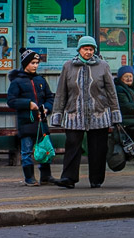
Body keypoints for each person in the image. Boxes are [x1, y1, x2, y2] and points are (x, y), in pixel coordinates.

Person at [49, 35, 119, 188]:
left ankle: (96, 179)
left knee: (98, 149)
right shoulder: (68, 66)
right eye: (85, 49)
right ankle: (68, 178)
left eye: (91, 49)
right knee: (72, 145)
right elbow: (61, 92)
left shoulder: (103, 66)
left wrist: (115, 113)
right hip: (74, 114)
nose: (88, 52)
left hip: (98, 113)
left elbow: (111, 92)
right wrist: (57, 114)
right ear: (79, 49)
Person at [5, 50, 55, 186]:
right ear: (25, 63)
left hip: (41, 121)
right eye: (32, 63)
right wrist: (28, 104)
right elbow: (11, 100)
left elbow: (50, 97)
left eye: (37, 63)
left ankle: (46, 176)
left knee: (45, 149)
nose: (35, 66)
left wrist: (47, 108)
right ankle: (29, 177)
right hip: (26, 122)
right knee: (27, 150)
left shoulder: (41, 80)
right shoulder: (17, 82)